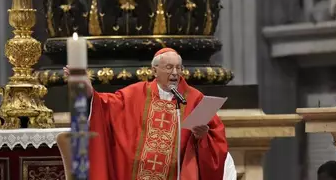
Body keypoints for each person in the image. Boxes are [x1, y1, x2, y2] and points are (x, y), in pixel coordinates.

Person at [64, 47, 227, 180]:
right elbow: (104, 105)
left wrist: (203, 136)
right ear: (155, 71)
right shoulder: (136, 93)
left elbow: (215, 138)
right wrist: (85, 88)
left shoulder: (194, 98)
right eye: (169, 67)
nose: (175, 73)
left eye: (179, 68)